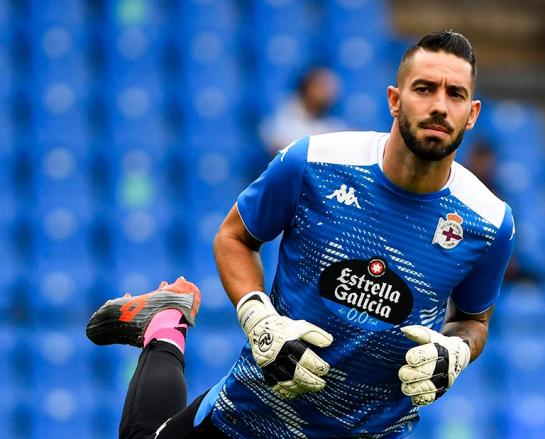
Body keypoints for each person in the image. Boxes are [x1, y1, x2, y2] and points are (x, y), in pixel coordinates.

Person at [87, 31, 515, 438]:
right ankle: (165, 326)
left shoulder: (489, 222)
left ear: (472, 113)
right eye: (424, 89)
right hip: (253, 415)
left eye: (455, 94)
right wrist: (259, 320)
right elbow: (234, 238)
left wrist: (455, 352)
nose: (440, 106)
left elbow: (473, 320)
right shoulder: (313, 162)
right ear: (394, 100)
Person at [259, 66, 346, 155]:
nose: (328, 92)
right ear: (308, 87)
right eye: (322, 86)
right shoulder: (285, 113)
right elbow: (279, 147)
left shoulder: (333, 120)